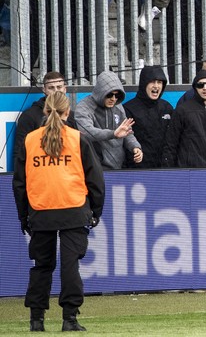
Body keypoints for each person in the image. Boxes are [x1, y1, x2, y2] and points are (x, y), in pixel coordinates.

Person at [12, 91, 104, 332]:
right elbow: (95, 178)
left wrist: (23, 215)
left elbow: (20, 182)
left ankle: (36, 320)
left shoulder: (30, 140)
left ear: (45, 111)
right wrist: (96, 210)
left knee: (42, 266)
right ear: (67, 112)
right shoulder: (77, 138)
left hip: (41, 211)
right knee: (70, 265)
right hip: (73, 209)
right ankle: (70, 319)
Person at [75, 70, 144, 169]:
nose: (113, 99)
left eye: (117, 95)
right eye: (109, 94)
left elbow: (126, 132)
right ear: (100, 92)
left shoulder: (118, 106)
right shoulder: (84, 107)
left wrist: (135, 147)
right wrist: (113, 134)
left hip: (119, 167)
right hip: (94, 167)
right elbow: (86, 132)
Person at [14, 72, 77, 160]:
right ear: (44, 90)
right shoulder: (29, 116)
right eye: (51, 88)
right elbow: (19, 151)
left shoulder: (72, 116)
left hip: (67, 169)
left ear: (65, 89)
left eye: (59, 87)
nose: (56, 91)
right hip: (39, 168)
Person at [122, 65, 173, 169]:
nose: (156, 86)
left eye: (159, 82)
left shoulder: (167, 107)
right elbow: (126, 139)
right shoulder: (129, 109)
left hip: (164, 169)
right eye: (152, 82)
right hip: (138, 170)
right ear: (144, 84)